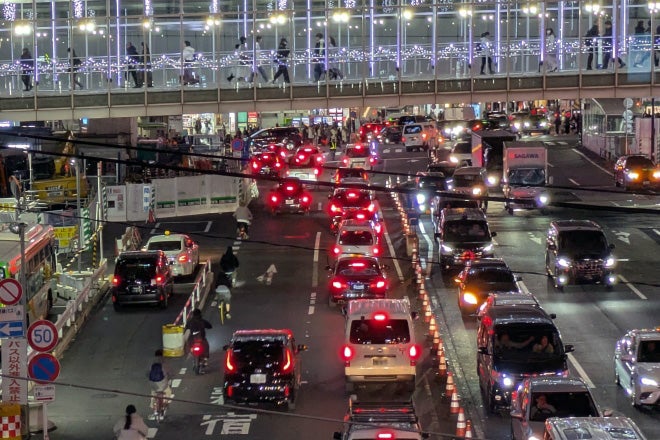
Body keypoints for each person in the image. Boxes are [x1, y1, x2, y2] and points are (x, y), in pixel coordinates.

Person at [148, 349, 172, 419]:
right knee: (168, 391)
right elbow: (170, 372)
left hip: (153, 383)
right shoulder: (164, 362)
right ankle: (167, 402)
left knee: (153, 394)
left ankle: (154, 409)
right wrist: (170, 376)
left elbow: (147, 373)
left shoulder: (151, 362)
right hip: (163, 383)